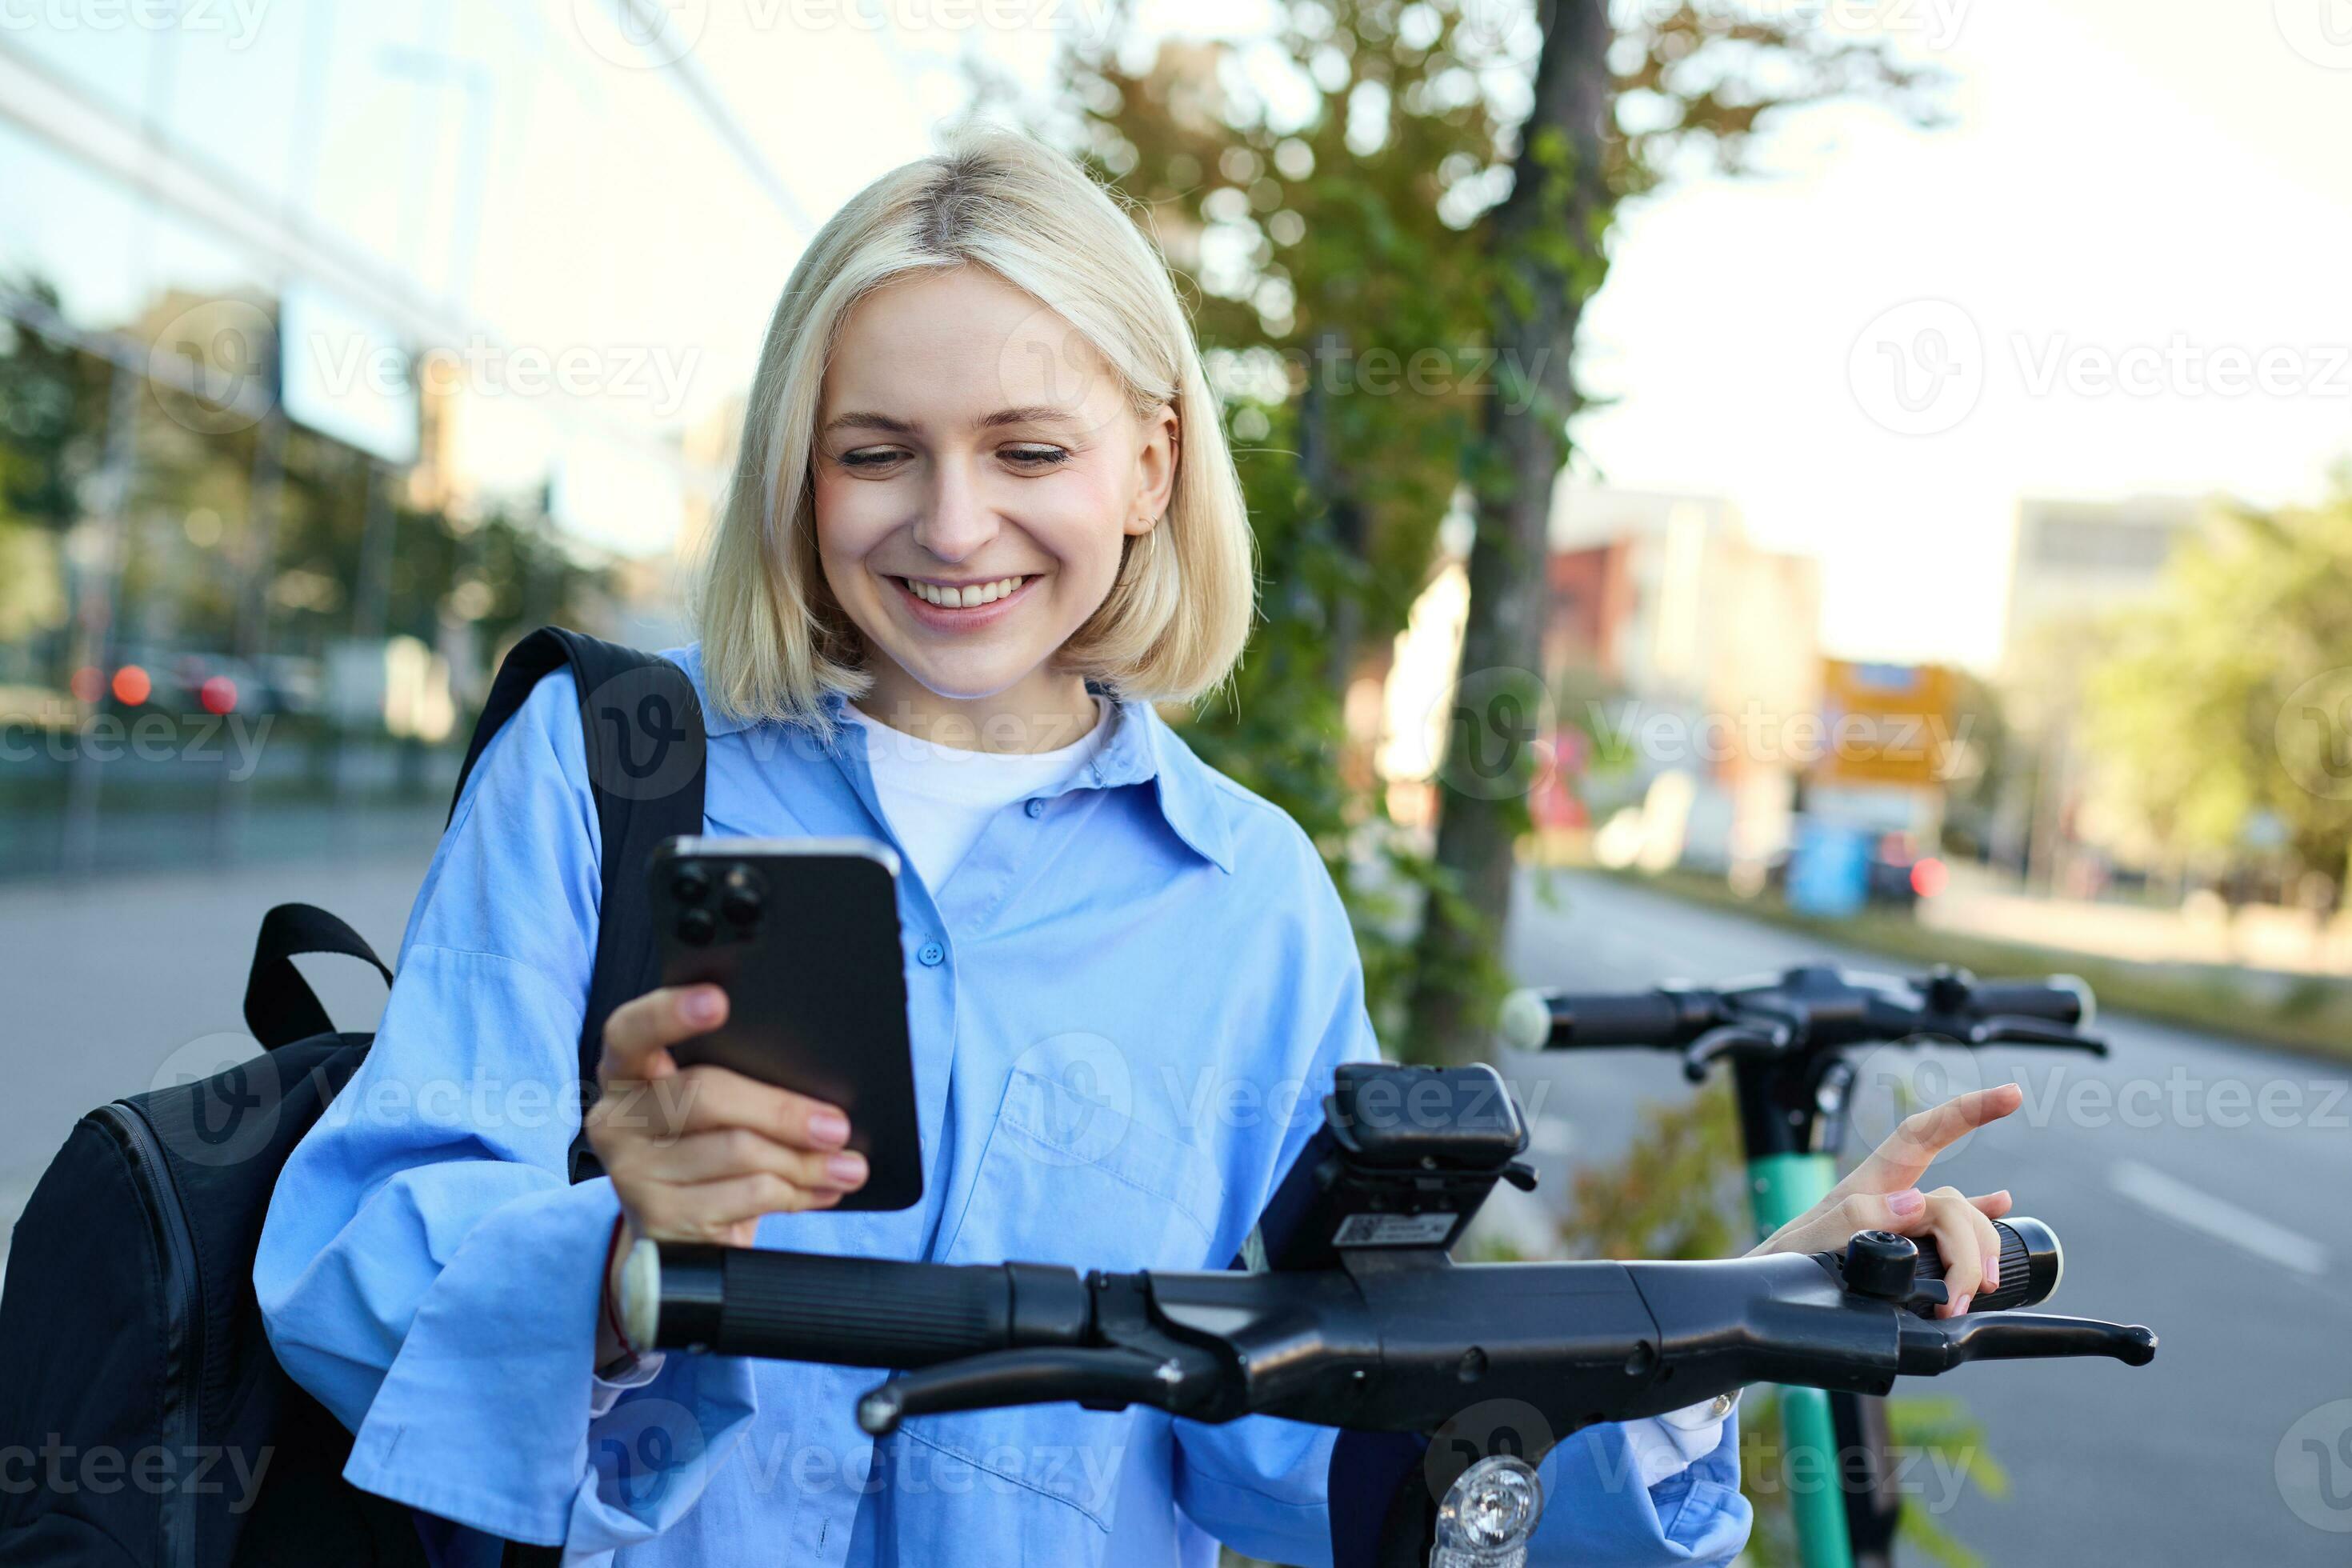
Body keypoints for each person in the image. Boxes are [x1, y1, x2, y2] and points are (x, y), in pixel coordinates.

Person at [254, 126, 2021, 1567]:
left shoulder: (1248, 897)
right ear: (800, 471)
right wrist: (615, 1248)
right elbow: (347, 1274)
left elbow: (1289, 1443)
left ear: (1152, 464)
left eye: (1029, 447)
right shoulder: (608, 768)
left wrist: (1714, 1325)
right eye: (879, 453)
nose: (954, 525)